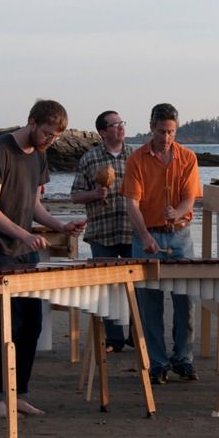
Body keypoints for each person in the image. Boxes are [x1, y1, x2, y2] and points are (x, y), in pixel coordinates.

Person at [0, 100, 86, 418]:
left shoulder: (39, 155)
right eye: (47, 134)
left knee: (33, 325)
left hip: (23, 251)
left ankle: (17, 393)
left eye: (55, 137)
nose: (50, 142)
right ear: (31, 122)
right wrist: (24, 234)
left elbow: (34, 205)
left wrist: (61, 226)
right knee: (12, 323)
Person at [120, 103, 202, 385]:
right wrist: (144, 236)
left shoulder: (188, 157)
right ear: (151, 127)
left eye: (171, 132)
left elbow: (190, 199)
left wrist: (178, 212)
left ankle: (184, 359)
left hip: (180, 235)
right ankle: (157, 362)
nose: (166, 138)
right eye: (161, 131)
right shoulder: (136, 160)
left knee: (186, 301)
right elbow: (131, 202)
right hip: (147, 234)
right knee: (150, 304)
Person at [70, 110, 133, 353]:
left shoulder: (136, 156)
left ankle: (136, 335)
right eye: (115, 124)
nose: (120, 127)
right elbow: (75, 195)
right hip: (101, 229)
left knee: (137, 286)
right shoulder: (90, 158)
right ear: (103, 132)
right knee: (106, 287)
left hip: (131, 229)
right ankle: (114, 339)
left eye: (121, 123)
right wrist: (94, 194)